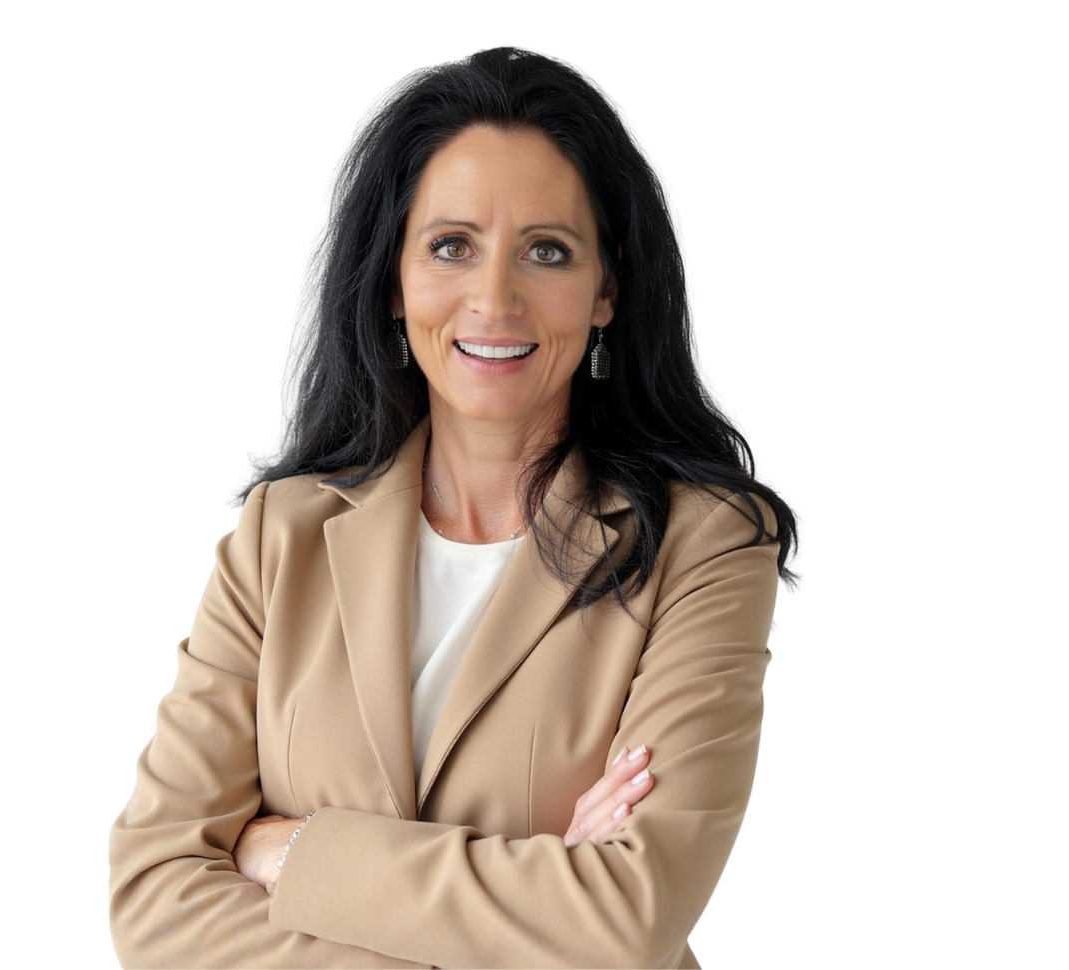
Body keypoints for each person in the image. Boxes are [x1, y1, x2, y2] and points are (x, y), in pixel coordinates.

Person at [108, 45, 804, 970]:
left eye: (546, 251)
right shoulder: (279, 538)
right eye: (450, 247)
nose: (493, 298)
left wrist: (294, 850)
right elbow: (152, 898)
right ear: (394, 283)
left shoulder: (703, 545)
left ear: (606, 289)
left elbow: (631, 916)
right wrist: (539, 906)